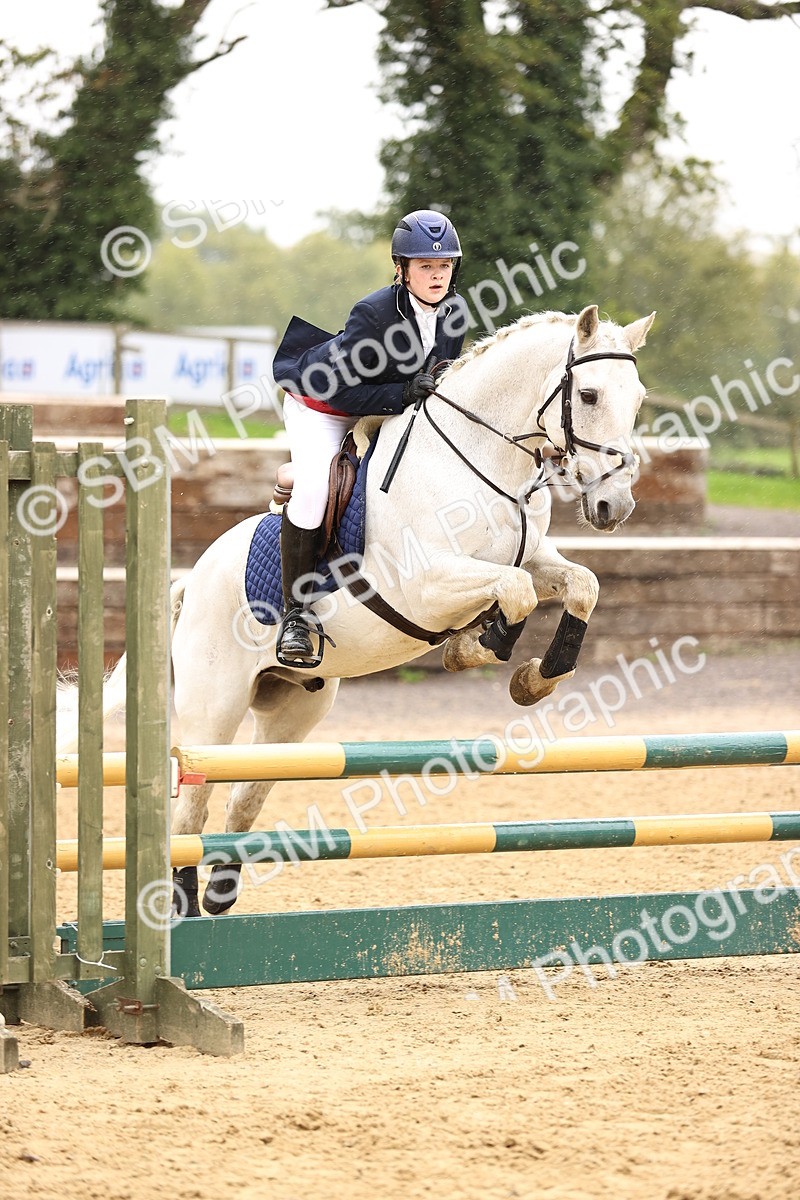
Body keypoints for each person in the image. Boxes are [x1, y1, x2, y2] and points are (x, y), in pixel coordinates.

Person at [271, 209, 468, 665]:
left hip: (385, 405)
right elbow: (338, 388)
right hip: (322, 405)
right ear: (401, 269)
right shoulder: (373, 313)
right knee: (316, 488)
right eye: (425, 267)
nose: (437, 276)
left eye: (444, 266)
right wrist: (401, 392)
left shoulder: (454, 312)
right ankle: (295, 616)